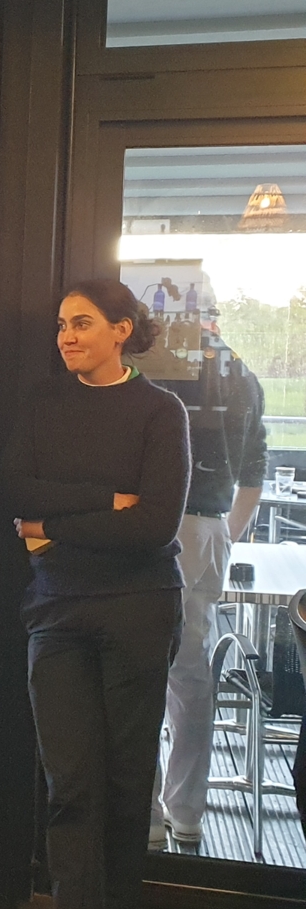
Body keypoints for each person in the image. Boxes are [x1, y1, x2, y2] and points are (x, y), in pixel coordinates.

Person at [0, 280, 189, 909]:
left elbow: (156, 525)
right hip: (57, 614)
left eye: (81, 323)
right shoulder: (44, 405)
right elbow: (15, 490)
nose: (66, 336)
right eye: (61, 325)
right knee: (72, 787)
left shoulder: (160, 412)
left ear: (122, 329)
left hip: (140, 610)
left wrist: (54, 524)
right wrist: (106, 500)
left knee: (125, 780)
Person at [146, 307, 267, 848]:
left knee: (144, 668)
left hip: (161, 524)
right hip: (211, 526)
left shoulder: (160, 367)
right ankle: (187, 809)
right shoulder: (241, 374)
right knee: (192, 673)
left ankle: (147, 816)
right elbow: (255, 468)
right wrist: (226, 535)